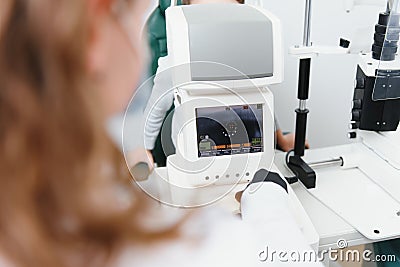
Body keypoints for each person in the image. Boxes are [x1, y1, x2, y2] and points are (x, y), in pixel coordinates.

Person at [0, 0, 322, 266]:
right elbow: (283, 256)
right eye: (128, 16)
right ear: (95, 33)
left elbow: (257, 100)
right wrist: (267, 199)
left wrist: (278, 137)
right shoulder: (193, 249)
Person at [143, 0, 308, 164]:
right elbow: (156, 107)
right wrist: (144, 149)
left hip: (245, 146)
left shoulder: (246, 56)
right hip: (194, 153)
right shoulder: (175, 63)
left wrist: (280, 139)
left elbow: (262, 98)